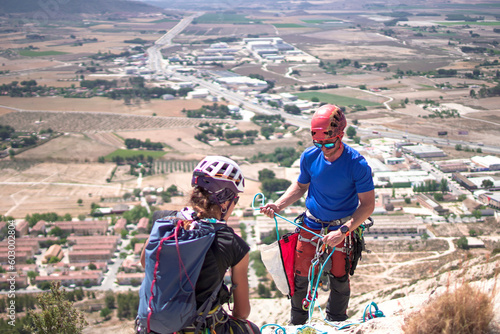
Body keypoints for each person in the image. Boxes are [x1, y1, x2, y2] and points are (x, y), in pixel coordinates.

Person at [260, 104, 375, 324]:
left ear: (340, 135)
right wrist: (279, 205)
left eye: (329, 143)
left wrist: (343, 231)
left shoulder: (357, 164)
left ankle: (336, 322)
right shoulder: (310, 156)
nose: (324, 148)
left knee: (340, 278)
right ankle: (298, 324)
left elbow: (367, 205)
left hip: (342, 227)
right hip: (311, 223)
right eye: (318, 143)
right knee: (301, 277)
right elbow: (301, 186)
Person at [140, 156, 260, 334]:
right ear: (225, 201)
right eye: (236, 199)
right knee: (251, 330)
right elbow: (241, 312)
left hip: (153, 327)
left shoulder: (163, 222)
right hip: (203, 328)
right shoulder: (232, 243)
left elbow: (145, 262)